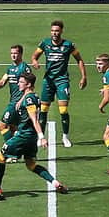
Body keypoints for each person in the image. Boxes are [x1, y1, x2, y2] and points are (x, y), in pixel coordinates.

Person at [0, 72, 68, 197]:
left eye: (21, 82)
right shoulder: (32, 96)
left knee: (0, 158)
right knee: (31, 164)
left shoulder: (29, 99)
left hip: (24, 136)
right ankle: (54, 182)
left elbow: (34, 120)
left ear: (28, 84)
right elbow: (28, 98)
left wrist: (42, 137)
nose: (18, 84)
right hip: (31, 138)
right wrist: (21, 100)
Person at [31, 20, 87, 148]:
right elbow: (34, 56)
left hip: (62, 80)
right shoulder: (45, 43)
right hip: (48, 81)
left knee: (63, 109)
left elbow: (79, 60)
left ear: (61, 31)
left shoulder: (69, 45)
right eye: (52, 31)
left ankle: (65, 137)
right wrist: (34, 61)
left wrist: (84, 77)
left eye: (57, 31)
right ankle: (41, 137)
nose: (54, 33)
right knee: (43, 109)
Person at [0, 44, 32, 142]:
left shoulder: (24, 68)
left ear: (21, 54)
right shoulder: (10, 68)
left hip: (16, 103)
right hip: (13, 101)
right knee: (13, 128)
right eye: (11, 53)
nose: (13, 55)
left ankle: (10, 150)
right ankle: (18, 149)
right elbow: (2, 82)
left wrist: (22, 100)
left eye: (16, 53)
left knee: (1, 126)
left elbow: (30, 87)